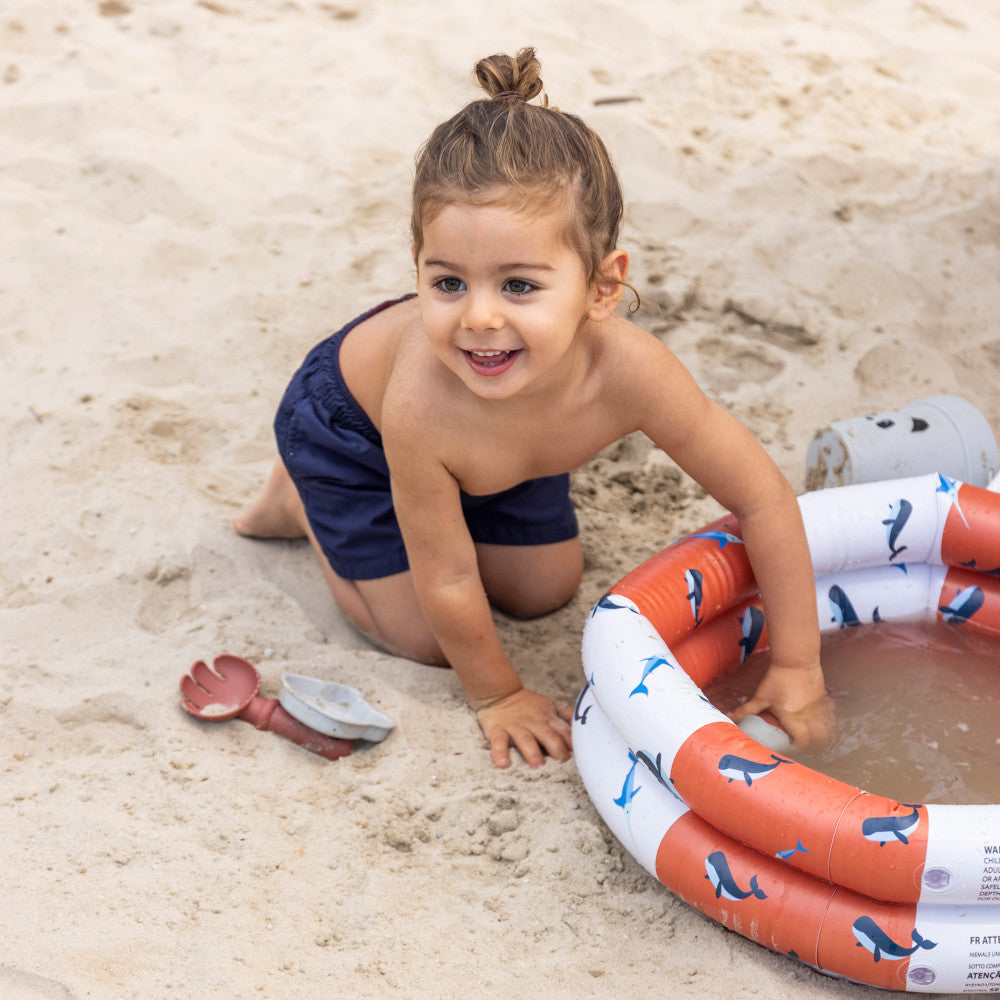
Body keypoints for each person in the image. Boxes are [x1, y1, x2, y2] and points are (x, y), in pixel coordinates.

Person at [235, 48, 834, 769]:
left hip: (500, 451)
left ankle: (462, 498)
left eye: (518, 285)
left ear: (601, 289)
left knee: (544, 590)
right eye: (448, 282)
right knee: (427, 639)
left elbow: (763, 499)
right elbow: (448, 578)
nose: (479, 318)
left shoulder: (633, 373)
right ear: (417, 268)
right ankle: (298, 503)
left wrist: (797, 663)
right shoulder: (422, 403)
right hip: (351, 438)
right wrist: (499, 694)